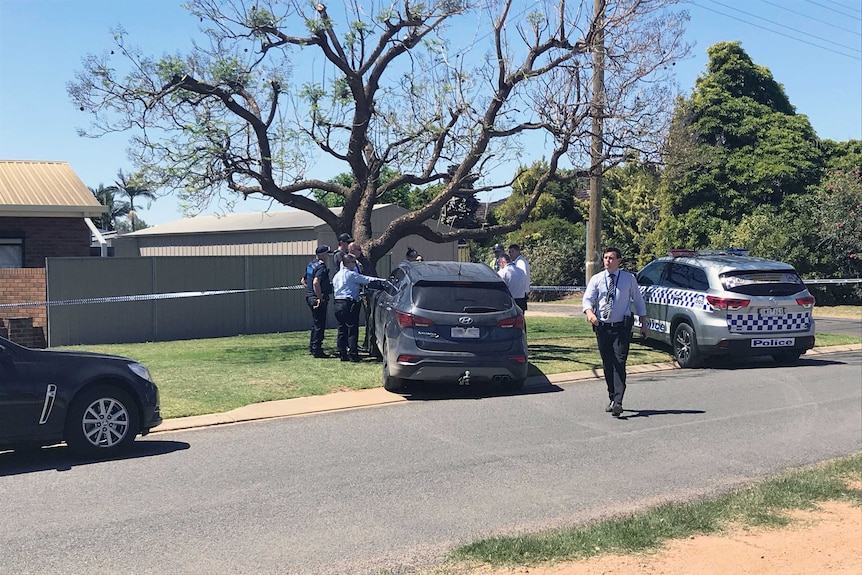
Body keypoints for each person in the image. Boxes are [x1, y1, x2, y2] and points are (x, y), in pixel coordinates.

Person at [582, 247, 648, 418]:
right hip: (603, 327)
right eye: (605, 258)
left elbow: (638, 301)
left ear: (619, 261)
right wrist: (590, 313)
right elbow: (587, 299)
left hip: (621, 328)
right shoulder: (597, 279)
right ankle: (612, 396)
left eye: (611, 258)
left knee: (619, 362)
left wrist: (644, 323)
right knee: (608, 363)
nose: (607, 261)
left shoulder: (628, 279)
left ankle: (618, 401)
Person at [332, 254, 383, 362]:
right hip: (349, 303)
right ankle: (353, 354)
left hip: (338, 303)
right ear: (348, 263)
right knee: (352, 328)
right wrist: (383, 281)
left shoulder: (336, 275)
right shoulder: (351, 275)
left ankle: (342, 353)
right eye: (353, 262)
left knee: (342, 329)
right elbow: (366, 279)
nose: (355, 265)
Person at [305, 245, 333, 358]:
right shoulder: (321, 267)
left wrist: (311, 291)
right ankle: (317, 350)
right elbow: (316, 282)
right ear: (322, 254)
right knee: (319, 325)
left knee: (316, 324)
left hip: (310, 297)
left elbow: (304, 280)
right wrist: (319, 297)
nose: (327, 255)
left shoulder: (311, 264)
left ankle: (312, 347)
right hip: (317, 299)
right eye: (326, 253)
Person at [508, 244, 531, 309]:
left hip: (520, 293)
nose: (510, 254)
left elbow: (523, 276)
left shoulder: (521, 262)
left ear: (518, 251)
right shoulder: (516, 261)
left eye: (513, 251)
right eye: (509, 252)